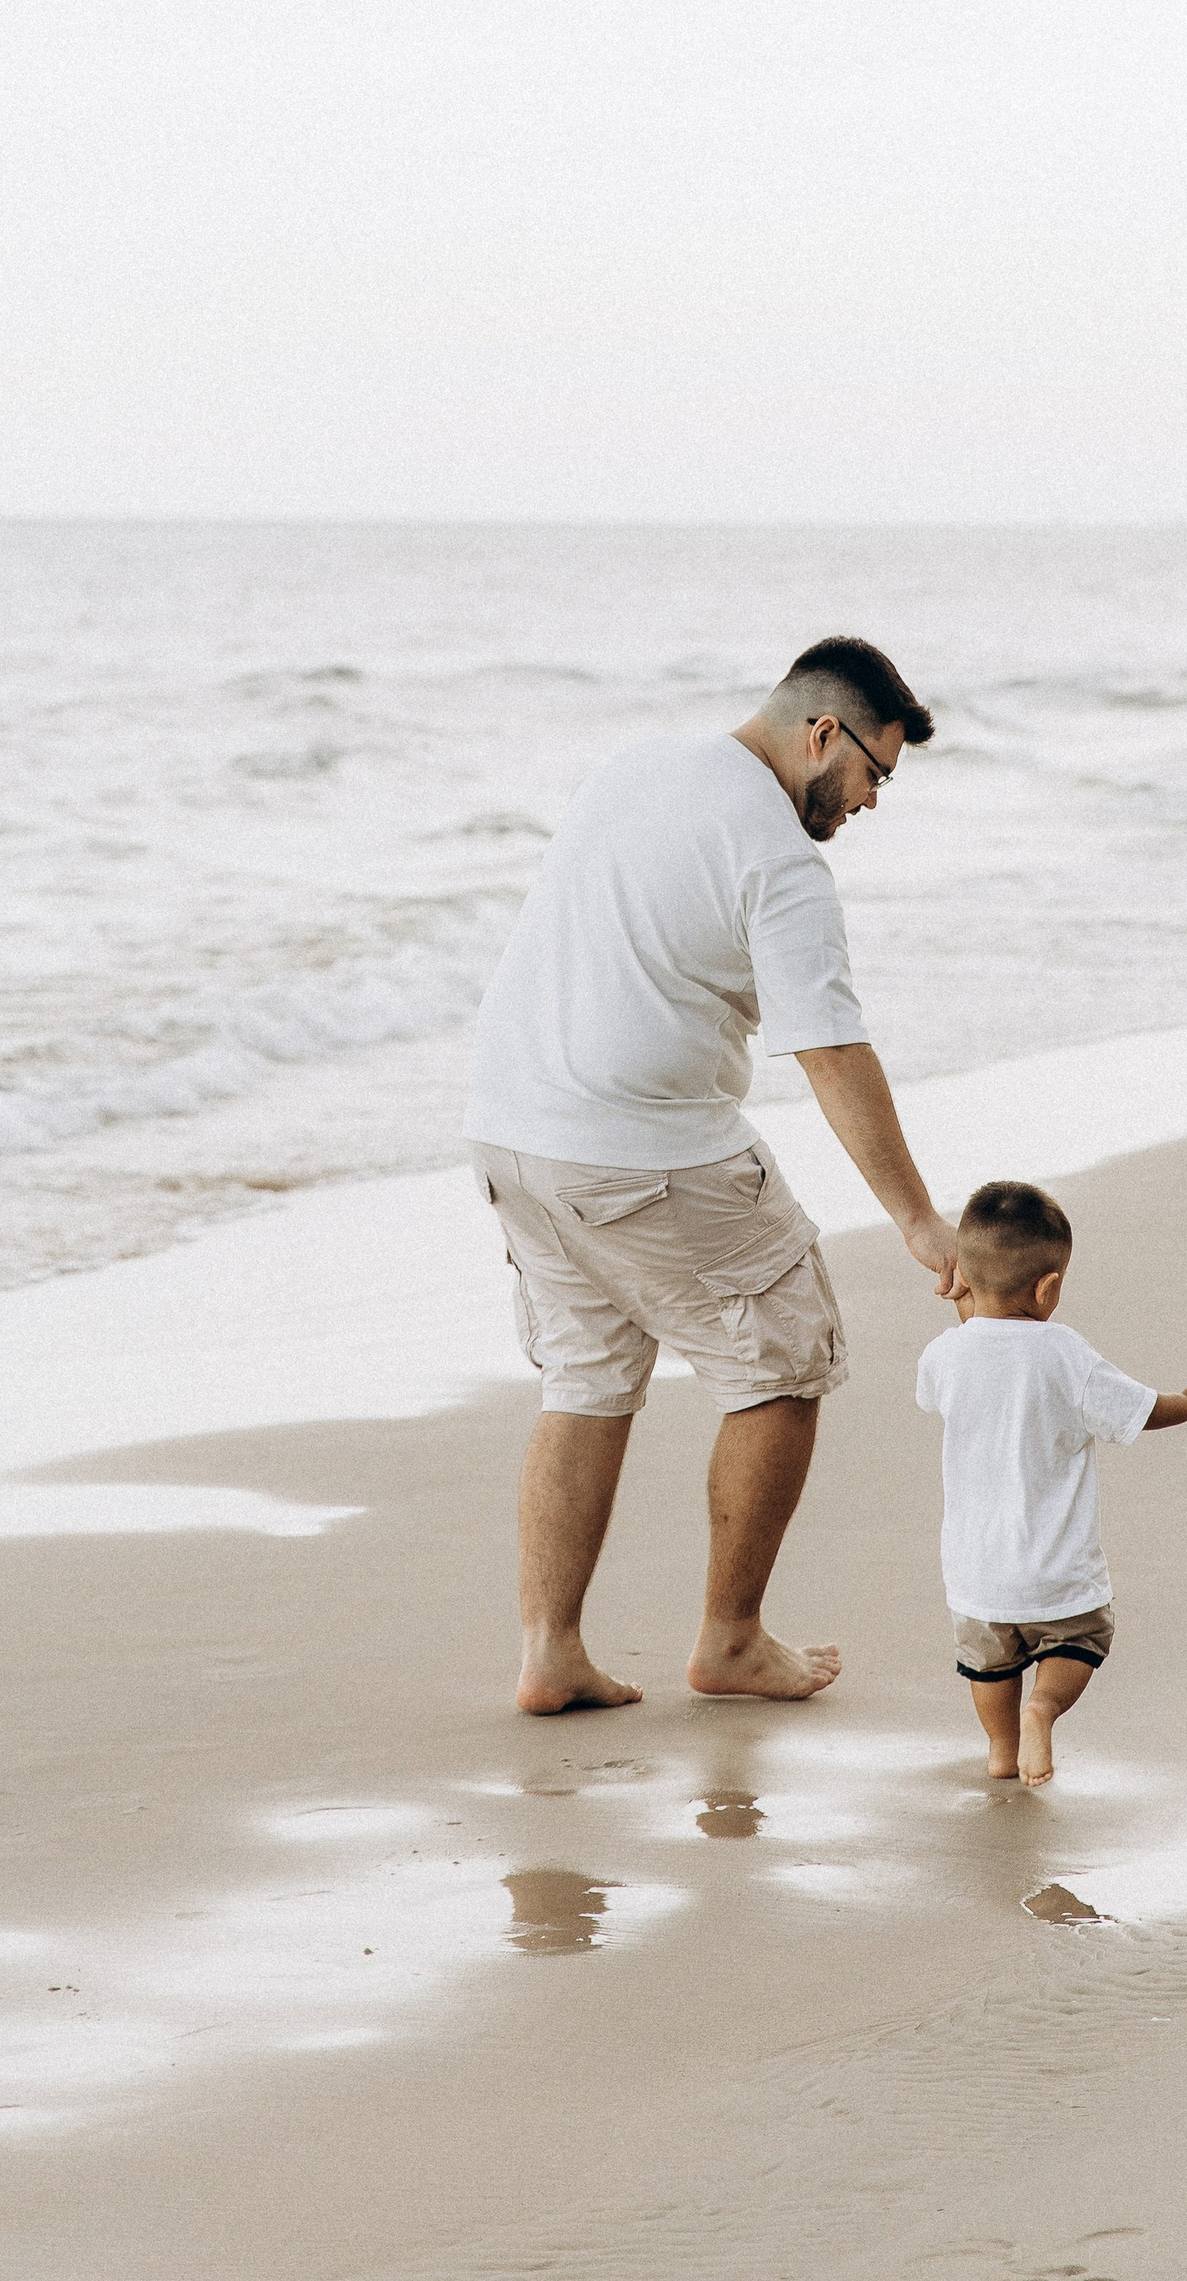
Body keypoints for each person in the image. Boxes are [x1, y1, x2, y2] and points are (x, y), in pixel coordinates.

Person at [468, 636, 962, 1715]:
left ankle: (549, 1653)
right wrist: (920, 1220)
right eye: (873, 772)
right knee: (786, 1358)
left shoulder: (636, 765)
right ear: (820, 732)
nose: (872, 801)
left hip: (510, 1128)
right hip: (635, 1147)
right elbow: (829, 1048)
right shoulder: (780, 859)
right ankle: (731, 1638)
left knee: (586, 1376)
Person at [916, 1178, 1187, 1787]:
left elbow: (939, 1392)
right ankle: (1044, 1709)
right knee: (1079, 1641)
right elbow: (1141, 1411)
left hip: (976, 1570)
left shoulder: (944, 1355)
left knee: (989, 1668)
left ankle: (1003, 1752)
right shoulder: (1063, 1352)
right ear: (1049, 1286)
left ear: (964, 1279)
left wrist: (968, 1317)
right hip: (1057, 1568)